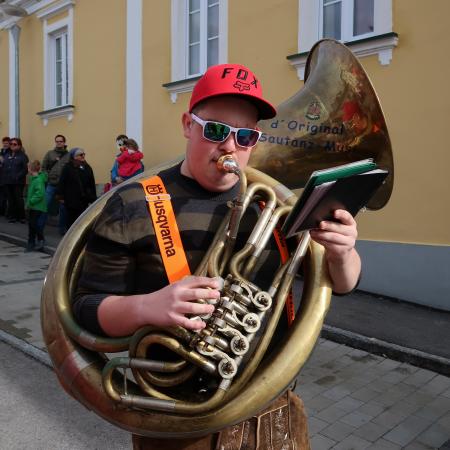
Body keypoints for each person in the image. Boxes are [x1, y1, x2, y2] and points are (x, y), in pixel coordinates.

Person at [72, 64, 361, 449]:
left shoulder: (272, 205)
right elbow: (85, 307)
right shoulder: (131, 204)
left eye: (245, 136)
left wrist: (343, 252)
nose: (230, 147)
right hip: (178, 423)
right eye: (216, 130)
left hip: (275, 414)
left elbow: (341, 284)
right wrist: (148, 306)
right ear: (187, 125)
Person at [56, 147, 97, 229]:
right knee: (71, 221)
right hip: (71, 199)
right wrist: (60, 196)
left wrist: (93, 197)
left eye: (83, 154)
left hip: (84, 199)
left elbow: (91, 182)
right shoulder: (67, 167)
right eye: (80, 155)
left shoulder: (87, 167)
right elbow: (62, 182)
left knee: (82, 220)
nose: (83, 156)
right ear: (74, 157)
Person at [41, 134, 70, 235]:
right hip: (51, 184)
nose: (59, 143)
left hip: (63, 186)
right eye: (57, 141)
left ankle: (62, 230)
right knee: (45, 205)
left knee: (63, 208)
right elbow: (43, 167)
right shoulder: (50, 153)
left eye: (61, 141)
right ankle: (39, 228)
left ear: (64, 142)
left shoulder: (69, 155)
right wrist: (47, 176)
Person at [3, 137, 28, 223]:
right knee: (11, 199)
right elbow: (4, 167)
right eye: (11, 144)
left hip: (18, 182)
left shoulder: (23, 156)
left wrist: (17, 176)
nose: (12, 146)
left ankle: (21, 217)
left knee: (18, 199)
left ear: (19, 146)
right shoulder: (7, 155)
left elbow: (25, 169)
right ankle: (12, 216)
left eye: (15, 144)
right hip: (8, 181)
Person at [24, 160, 47, 252]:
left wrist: (30, 202)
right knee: (32, 224)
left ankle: (39, 240)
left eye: (28, 168)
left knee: (33, 224)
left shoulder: (37, 180)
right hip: (34, 206)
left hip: (37, 206)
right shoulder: (33, 179)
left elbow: (39, 194)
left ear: (30, 169)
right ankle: (32, 242)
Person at [0, 137, 11, 216]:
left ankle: (7, 212)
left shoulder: (10, 152)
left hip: (8, 177)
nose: (5, 144)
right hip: (1, 176)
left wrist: (3, 161)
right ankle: (2, 211)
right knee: (1, 196)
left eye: (6, 143)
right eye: (4, 143)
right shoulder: (1, 151)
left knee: (7, 196)